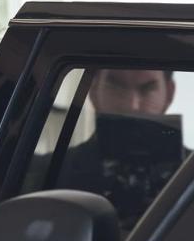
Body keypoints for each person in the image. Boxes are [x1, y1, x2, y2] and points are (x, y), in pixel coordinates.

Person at [51, 68, 184, 229]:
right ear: (93, 90)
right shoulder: (49, 170)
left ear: (169, 94)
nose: (132, 105)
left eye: (148, 88)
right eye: (116, 86)